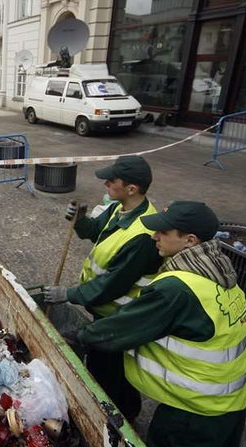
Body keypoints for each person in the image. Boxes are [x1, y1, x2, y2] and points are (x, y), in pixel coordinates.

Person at [67, 201, 246, 447]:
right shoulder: (219, 271)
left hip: (193, 412)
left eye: (164, 232)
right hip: (230, 405)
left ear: (190, 240)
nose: (155, 236)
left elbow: (121, 328)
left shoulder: (177, 288)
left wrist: (75, 337)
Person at [44, 155, 163, 421]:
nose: (106, 182)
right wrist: (80, 220)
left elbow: (111, 285)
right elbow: (95, 231)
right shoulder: (119, 208)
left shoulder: (143, 236)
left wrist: (69, 294)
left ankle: (117, 421)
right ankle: (121, 408)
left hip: (120, 319)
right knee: (114, 371)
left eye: (113, 180)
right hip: (105, 311)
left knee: (109, 372)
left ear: (132, 188)